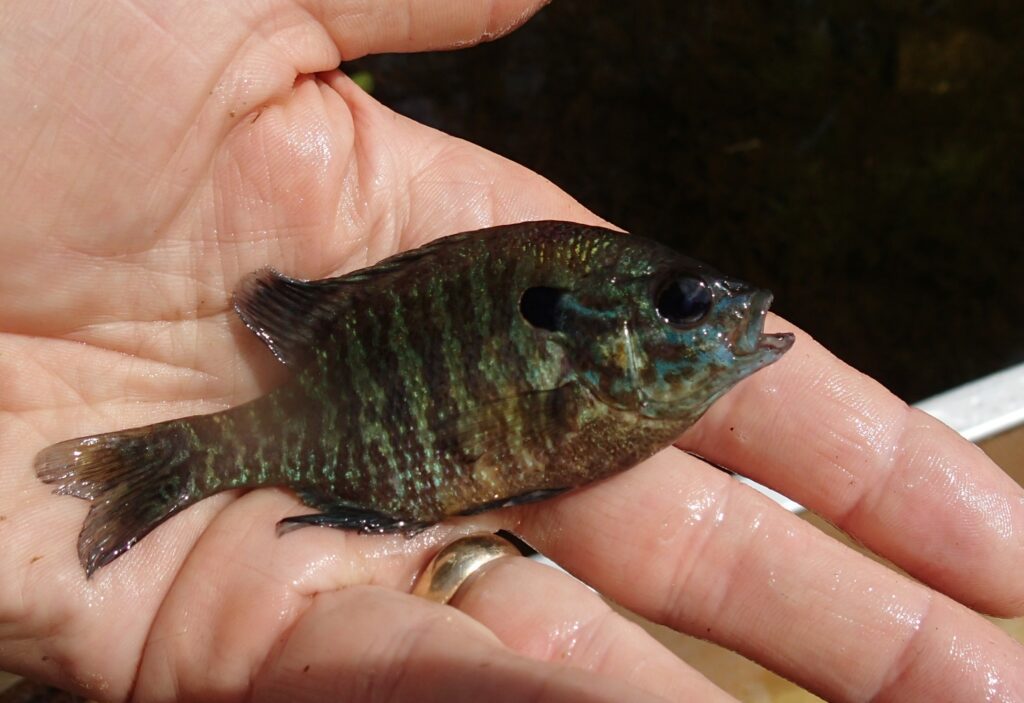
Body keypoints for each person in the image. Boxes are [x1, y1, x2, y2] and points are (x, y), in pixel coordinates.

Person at [1, 2, 1021, 701]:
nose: (727, 316)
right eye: (681, 303)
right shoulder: (594, 370)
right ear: (600, 325)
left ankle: (154, 474)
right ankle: (167, 465)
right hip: (377, 438)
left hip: (390, 458)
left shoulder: (615, 385)